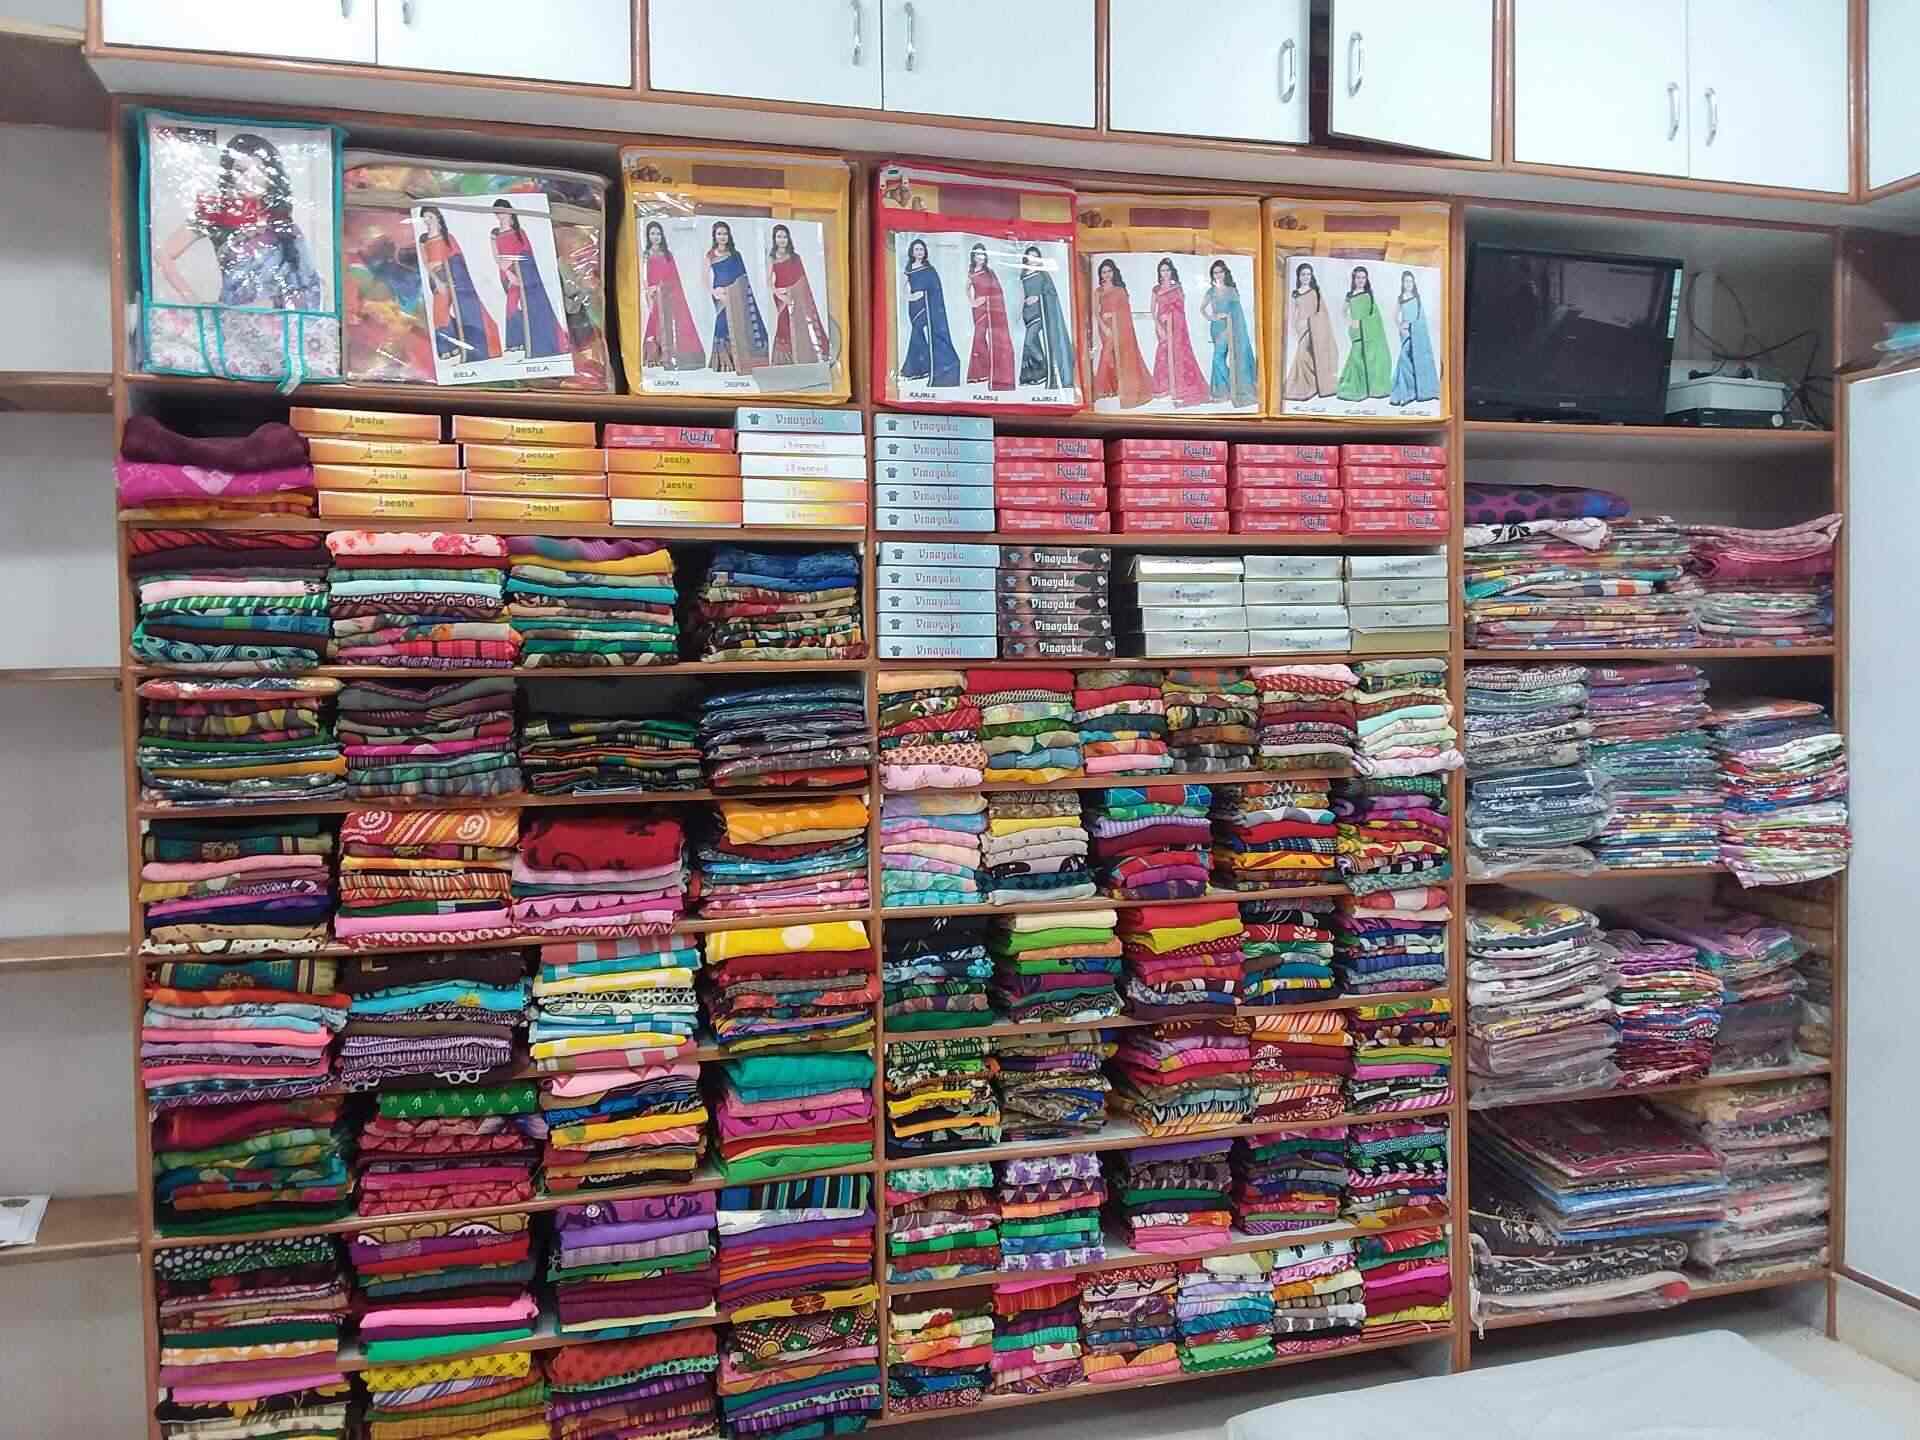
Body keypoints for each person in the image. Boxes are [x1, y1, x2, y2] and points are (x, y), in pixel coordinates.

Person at [155, 132, 325, 310]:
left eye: (260, 170)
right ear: (228, 175)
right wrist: (194, 302)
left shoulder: (285, 227)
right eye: (241, 170)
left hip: (280, 320)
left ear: (272, 176)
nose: (250, 177)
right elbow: (162, 254)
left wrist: (274, 304)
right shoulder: (215, 215)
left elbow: (309, 284)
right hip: (233, 319)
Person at [417, 205, 498, 365]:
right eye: (425, 218)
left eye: (430, 217)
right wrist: (437, 280)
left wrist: (452, 277)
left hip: (452, 276)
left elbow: (458, 259)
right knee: (439, 313)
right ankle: (451, 345)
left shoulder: (448, 237)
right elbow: (425, 262)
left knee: (452, 312)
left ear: (438, 218)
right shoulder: (423, 239)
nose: (427, 220)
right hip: (435, 277)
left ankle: (457, 345)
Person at [491, 197, 568, 359]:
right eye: (497, 212)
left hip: (526, 275)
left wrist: (513, 263)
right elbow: (497, 258)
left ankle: (538, 341)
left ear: (510, 212)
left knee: (533, 305)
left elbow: (527, 255)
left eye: (503, 211)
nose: (500, 215)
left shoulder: (520, 233)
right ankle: (520, 340)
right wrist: (509, 273)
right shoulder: (495, 234)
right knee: (511, 307)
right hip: (508, 276)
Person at [705, 219, 769, 375]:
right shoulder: (710, 255)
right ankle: (724, 361)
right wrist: (714, 292)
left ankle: (740, 359)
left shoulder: (735, 254)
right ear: (714, 236)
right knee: (722, 324)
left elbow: (743, 277)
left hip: (737, 293)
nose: (722, 237)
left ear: (729, 236)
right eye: (719, 234)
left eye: (725, 234)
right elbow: (704, 278)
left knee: (739, 321)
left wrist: (735, 291)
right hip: (720, 293)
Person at [641, 220, 704, 370]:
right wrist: (649, 290)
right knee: (655, 322)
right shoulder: (646, 255)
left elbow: (674, 276)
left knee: (672, 323)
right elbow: (644, 276)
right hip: (654, 295)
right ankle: (655, 356)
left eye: (658, 234)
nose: (655, 237)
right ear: (648, 236)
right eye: (652, 234)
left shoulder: (668, 255)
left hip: (669, 294)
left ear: (662, 236)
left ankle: (674, 356)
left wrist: (667, 289)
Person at [1090, 258, 1152, 408]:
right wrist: (1104, 326)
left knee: (1119, 356)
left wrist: (1114, 315)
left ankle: (1115, 388)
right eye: (1103, 272)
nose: (1106, 274)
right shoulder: (1098, 291)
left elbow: (1125, 311)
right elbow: (1096, 312)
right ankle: (1105, 389)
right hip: (1105, 327)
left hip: (1120, 327)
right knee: (1108, 355)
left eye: (1109, 271)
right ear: (1100, 274)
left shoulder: (1120, 290)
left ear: (1113, 272)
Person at [1149, 257, 1210, 407]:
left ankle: (1179, 388)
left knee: (1178, 354)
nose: (1165, 273)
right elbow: (1152, 310)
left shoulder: (1177, 288)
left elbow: (1181, 308)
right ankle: (1164, 388)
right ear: (1159, 272)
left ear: (1172, 271)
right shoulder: (1156, 289)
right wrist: (1158, 325)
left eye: (1167, 270)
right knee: (1163, 353)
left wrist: (1169, 315)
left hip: (1177, 326)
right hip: (1162, 325)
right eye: (1162, 270)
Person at [769, 223, 829, 367]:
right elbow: (769, 281)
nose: (782, 240)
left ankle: (804, 356)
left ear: (788, 239)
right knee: (783, 325)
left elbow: (803, 281)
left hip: (797, 297)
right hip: (781, 296)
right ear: (774, 239)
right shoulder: (772, 258)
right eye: (779, 237)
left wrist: (793, 293)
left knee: (800, 324)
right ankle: (784, 361)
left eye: (784, 237)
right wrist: (778, 293)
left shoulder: (795, 258)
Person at [901, 237, 959, 386]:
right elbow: (904, 286)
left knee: (917, 332)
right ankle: (923, 368)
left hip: (927, 305)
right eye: (916, 249)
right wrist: (909, 296)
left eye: (921, 249)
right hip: (913, 306)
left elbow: (935, 288)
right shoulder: (909, 268)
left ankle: (914, 369)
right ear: (912, 252)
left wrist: (924, 294)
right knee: (917, 332)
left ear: (925, 252)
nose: (919, 252)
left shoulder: (929, 270)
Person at [1200, 258, 1257, 408]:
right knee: (1218, 358)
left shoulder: (1231, 291)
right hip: (1215, 328)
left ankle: (1233, 386)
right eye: (1215, 273)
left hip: (1229, 328)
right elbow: (1202, 309)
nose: (1218, 275)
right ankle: (1225, 391)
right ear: (1212, 275)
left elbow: (1238, 312)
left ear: (1225, 273)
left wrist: (1228, 320)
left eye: (1220, 272)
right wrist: (1211, 317)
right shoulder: (1211, 291)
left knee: (1217, 358)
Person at [1018, 245, 1075, 391]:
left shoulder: (1043, 275)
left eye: (1036, 256)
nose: (1033, 259)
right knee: (1031, 343)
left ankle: (1045, 366)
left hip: (1040, 312)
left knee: (1029, 342)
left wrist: (1038, 297)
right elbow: (1020, 294)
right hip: (1027, 314)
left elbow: (1051, 292)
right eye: (1030, 256)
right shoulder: (1022, 275)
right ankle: (1037, 375)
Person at [963, 242, 1015, 390]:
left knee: (980, 338)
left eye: (982, 254)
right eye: (977, 254)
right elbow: (967, 288)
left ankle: (990, 370)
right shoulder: (971, 272)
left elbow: (998, 291)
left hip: (990, 308)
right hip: (978, 309)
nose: (980, 257)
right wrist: (972, 301)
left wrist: (986, 299)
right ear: (973, 256)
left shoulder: (989, 273)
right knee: (979, 338)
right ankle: (983, 371)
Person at [1338, 263, 1393, 401]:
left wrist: (1364, 323)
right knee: (1357, 355)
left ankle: (1370, 388)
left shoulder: (1369, 295)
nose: (1361, 280)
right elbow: (1343, 312)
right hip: (1356, 330)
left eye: (1363, 278)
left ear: (1366, 279)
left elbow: (1374, 315)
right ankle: (1356, 386)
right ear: (1354, 279)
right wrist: (1351, 322)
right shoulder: (1350, 295)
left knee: (1367, 356)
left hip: (1369, 331)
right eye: (1358, 277)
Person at [1285, 262, 1339, 401]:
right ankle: (1313, 383)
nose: (1306, 277)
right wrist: (1295, 327)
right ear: (1299, 276)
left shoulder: (1315, 291)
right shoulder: (1295, 293)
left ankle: (1314, 383)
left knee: (1305, 355)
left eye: (1308, 274)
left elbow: (1322, 312)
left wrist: (1311, 322)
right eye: (1303, 274)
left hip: (1315, 327)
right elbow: (1293, 313)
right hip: (1301, 328)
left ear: (1311, 276)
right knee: (1305, 355)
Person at [1390, 269, 1441, 405]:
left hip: (1418, 333)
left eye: (1410, 281)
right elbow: (1394, 316)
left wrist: (1414, 327)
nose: (1408, 284)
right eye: (1406, 281)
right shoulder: (1400, 298)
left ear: (1414, 283)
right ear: (1402, 283)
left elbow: (1420, 317)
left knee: (1418, 360)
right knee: (1405, 360)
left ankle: (1423, 391)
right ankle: (1405, 392)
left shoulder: (1417, 298)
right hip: (1406, 333)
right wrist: (1401, 327)